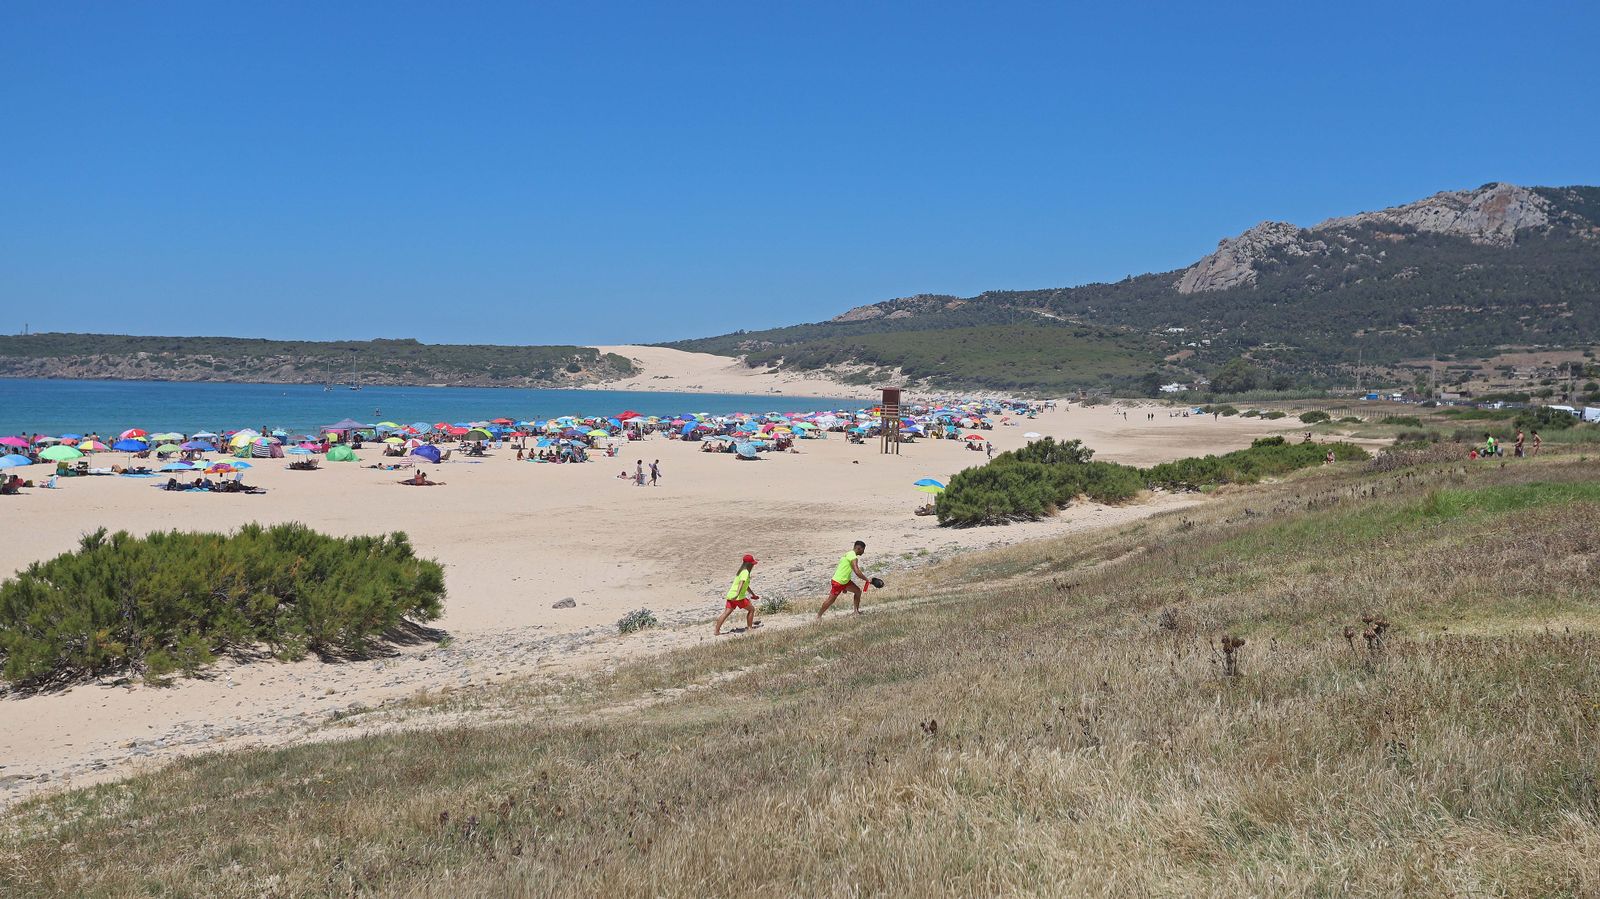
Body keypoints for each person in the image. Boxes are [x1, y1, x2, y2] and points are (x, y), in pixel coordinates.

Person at [818, 540, 869, 618]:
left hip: (845, 581)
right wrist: (867, 579)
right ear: (859, 548)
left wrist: (844, 587)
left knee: (858, 591)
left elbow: (845, 568)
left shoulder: (848, 554)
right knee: (831, 600)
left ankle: (856, 612)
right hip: (839, 582)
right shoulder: (853, 557)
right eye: (863, 549)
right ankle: (818, 616)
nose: (863, 552)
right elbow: (857, 571)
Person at [714, 554, 761, 636]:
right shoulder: (745, 572)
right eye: (752, 563)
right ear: (749, 564)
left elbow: (746, 586)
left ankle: (716, 631)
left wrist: (753, 595)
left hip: (731, 596)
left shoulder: (740, 571)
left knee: (726, 613)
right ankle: (750, 628)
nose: (753, 565)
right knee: (751, 610)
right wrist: (737, 594)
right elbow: (741, 583)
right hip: (738, 597)